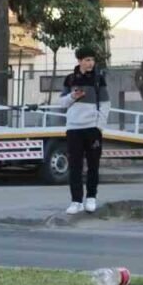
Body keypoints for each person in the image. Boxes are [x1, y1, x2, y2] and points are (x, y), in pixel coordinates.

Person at [57, 48, 110, 214]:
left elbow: (106, 104)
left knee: (93, 165)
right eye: (87, 60)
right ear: (79, 61)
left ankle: (91, 198)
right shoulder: (70, 79)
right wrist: (73, 96)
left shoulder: (98, 79)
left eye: (92, 60)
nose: (90, 63)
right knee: (75, 166)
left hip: (92, 129)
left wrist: (99, 126)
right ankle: (76, 201)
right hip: (74, 128)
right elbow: (61, 103)